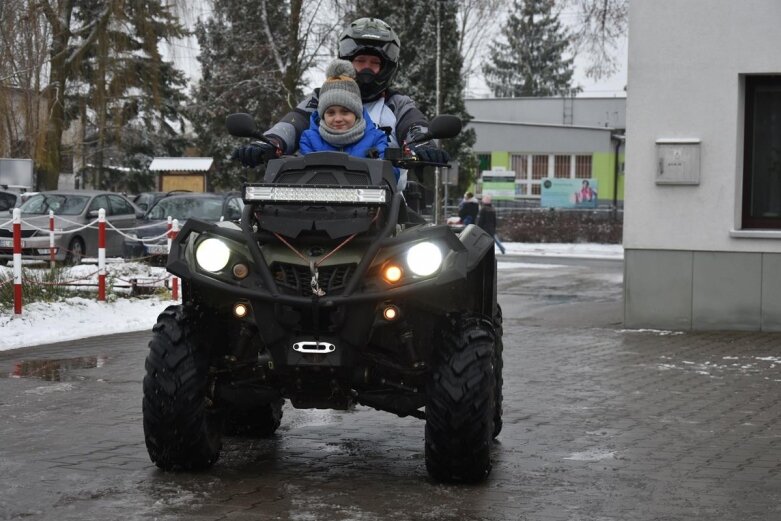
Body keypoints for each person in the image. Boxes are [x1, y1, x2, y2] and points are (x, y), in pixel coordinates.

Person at [232, 17, 449, 190]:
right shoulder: (320, 98)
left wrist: (421, 145)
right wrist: (269, 142)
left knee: (425, 238)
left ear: (388, 67)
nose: (366, 69)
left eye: (374, 63)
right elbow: (291, 124)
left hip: (384, 203)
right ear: (346, 63)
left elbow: (415, 126)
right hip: (311, 197)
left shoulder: (398, 103)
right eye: (360, 61)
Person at [299, 59, 391, 162]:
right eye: (331, 112)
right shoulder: (310, 139)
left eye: (345, 111)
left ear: (356, 113)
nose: (338, 119)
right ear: (322, 115)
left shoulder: (376, 139)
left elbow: (390, 173)